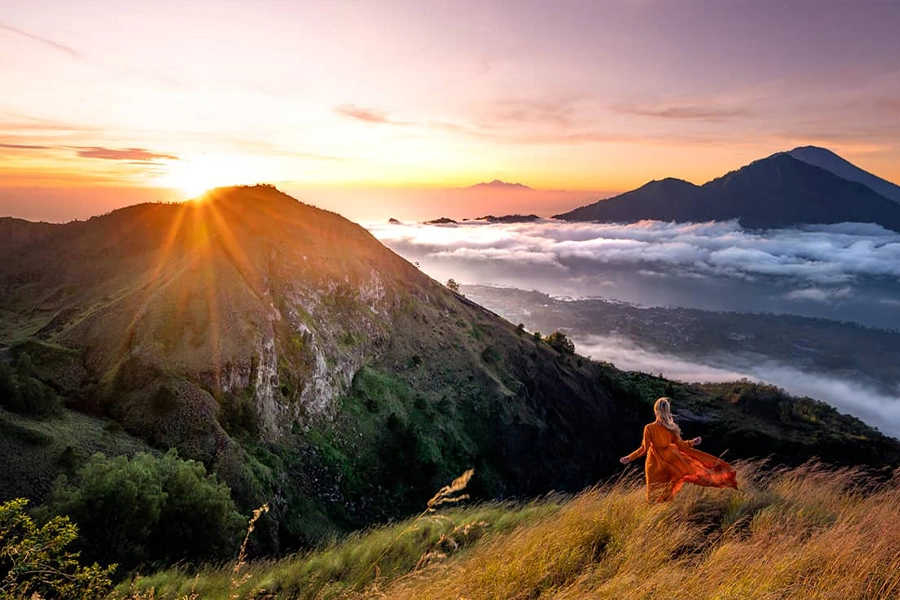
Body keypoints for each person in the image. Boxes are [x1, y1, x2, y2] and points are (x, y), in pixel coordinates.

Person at [620, 397, 737, 502]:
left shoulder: (649, 428)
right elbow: (681, 446)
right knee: (666, 492)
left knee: (652, 494)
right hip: (669, 464)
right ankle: (665, 515)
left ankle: (654, 517)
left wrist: (629, 458)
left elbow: (644, 449)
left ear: (655, 410)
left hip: (654, 464)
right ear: (667, 411)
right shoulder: (672, 428)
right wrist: (692, 442)